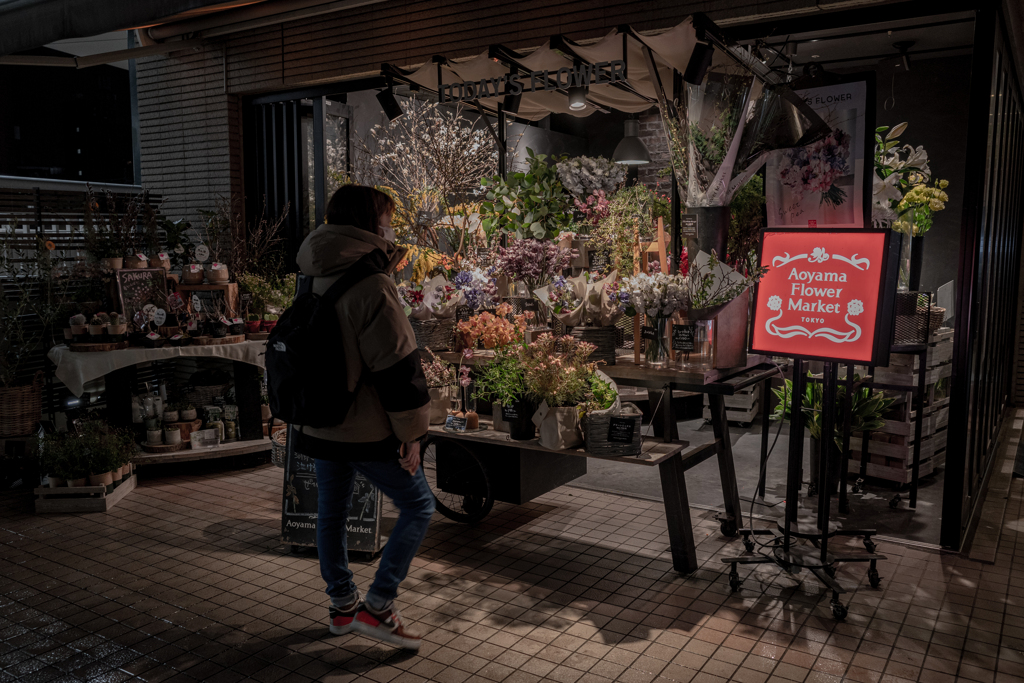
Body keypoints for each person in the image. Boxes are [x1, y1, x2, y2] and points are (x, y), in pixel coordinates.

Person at [294, 184, 433, 650]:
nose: (390, 226)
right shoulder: (372, 284)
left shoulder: (311, 274)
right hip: (366, 428)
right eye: (387, 218)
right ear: (369, 223)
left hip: (318, 420)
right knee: (419, 505)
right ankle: (377, 607)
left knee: (329, 513)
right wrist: (413, 434)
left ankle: (341, 607)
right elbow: (397, 366)